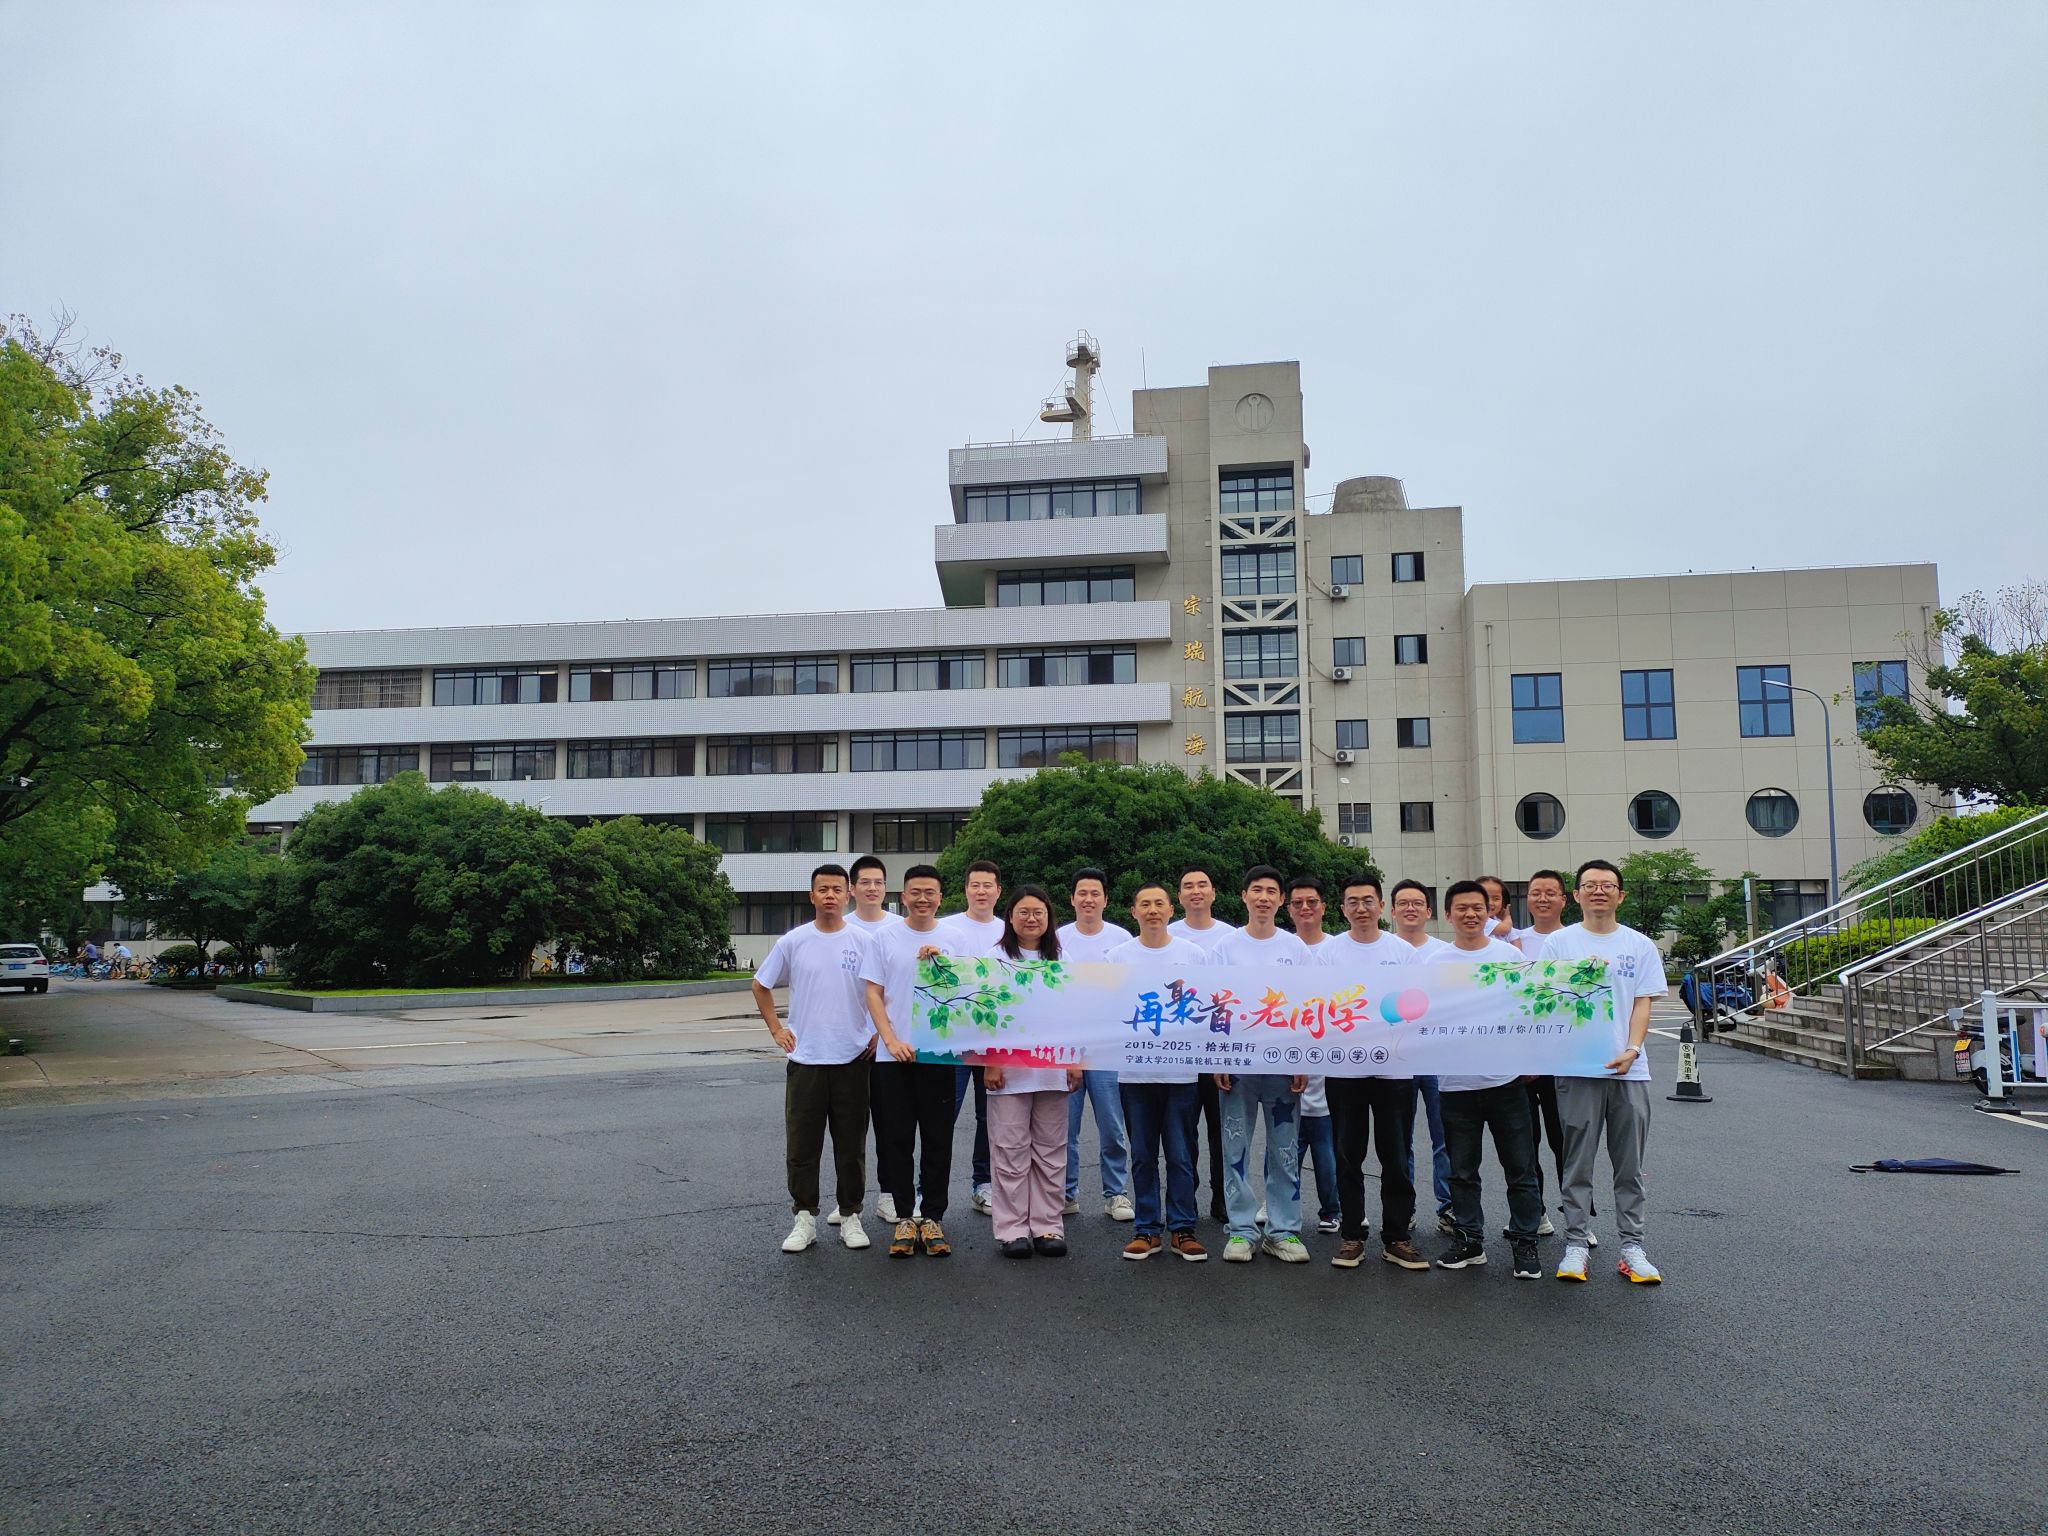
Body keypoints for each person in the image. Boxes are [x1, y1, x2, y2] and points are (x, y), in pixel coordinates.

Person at [1540, 859, 1667, 1284]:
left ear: (1620, 895)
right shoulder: (1559, 944)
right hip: (1577, 1069)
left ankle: (1632, 1246)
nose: (1599, 890)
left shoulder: (1639, 945)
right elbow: (1547, 999)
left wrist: (1632, 1049)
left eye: (1607, 885)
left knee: (1629, 1165)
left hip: (1629, 1072)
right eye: (1590, 885)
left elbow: (1643, 1003)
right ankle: (1576, 1243)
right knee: (1577, 1162)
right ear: (1576, 895)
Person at [753, 864, 879, 1255]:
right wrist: (776, 1029)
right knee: (802, 1146)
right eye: (822, 889)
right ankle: (804, 1217)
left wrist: (878, 1031)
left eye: (837, 889)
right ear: (812, 896)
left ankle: (851, 1214)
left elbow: (882, 990)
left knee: (851, 1145)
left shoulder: (863, 941)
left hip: (853, 1057)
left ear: (848, 895)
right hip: (806, 1058)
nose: (830, 896)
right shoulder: (793, 941)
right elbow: (760, 985)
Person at [1312, 874, 1431, 1272]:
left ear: (1381, 907)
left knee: (1395, 1155)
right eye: (1353, 901)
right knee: (1348, 1154)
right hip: (1344, 1069)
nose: (1361, 908)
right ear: (1342, 908)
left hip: (1394, 1069)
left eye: (1368, 900)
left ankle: (1397, 1237)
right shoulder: (1328, 953)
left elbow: (1418, 1004)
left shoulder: (1402, 952)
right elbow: (1316, 1006)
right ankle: (1351, 1236)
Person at [1432, 881, 1545, 1279]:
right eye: (1461, 908)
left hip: (1505, 1083)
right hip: (1455, 1085)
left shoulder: (1509, 956)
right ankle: (1469, 1240)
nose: (1470, 914)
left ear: (1489, 913)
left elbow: (1530, 1007)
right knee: (1462, 1172)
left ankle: (1525, 1242)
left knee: (1521, 1168)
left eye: (1477, 907)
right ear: (1448, 915)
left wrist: (1532, 1056)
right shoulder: (1435, 962)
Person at [1211, 865, 1312, 1263]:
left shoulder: (1295, 949)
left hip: (1283, 1063)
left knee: (1284, 1150)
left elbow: (1308, 1005)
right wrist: (1218, 1056)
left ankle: (1283, 1231)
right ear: (1244, 896)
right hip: (1238, 1062)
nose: (1264, 897)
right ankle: (1240, 1230)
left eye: (1272, 891)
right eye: (1257, 890)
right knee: (1234, 1147)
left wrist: (1302, 1057)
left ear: (1281, 900)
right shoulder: (1225, 947)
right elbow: (1215, 1004)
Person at [1109, 883, 1211, 1262]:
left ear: (1171, 910)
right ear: (1133, 912)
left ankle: (1183, 1229)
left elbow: (1209, 1008)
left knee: (1181, 1154)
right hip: (1134, 1075)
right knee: (1142, 1154)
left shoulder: (1194, 955)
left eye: (1159, 904)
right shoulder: (1116, 957)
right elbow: (1102, 1009)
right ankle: (1147, 1229)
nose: (1152, 910)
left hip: (1182, 1075)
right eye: (1145, 904)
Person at [861, 864, 954, 1258]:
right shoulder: (884, 937)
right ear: (903, 896)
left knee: (938, 1139)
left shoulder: (954, 937)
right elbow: (873, 992)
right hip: (892, 1056)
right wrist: (890, 1039)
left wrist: (941, 965)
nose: (922, 899)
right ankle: (903, 1216)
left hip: (939, 1055)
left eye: (930, 892)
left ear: (940, 897)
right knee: (896, 1138)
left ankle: (932, 1217)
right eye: (915, 892)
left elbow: (969, 991)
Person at [983, 887, 1081, 1258]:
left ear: (1048, 917)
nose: (1031, 919)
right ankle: (1012, 1230)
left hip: (1053, 1070)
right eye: (1023, 912)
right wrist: (991, 1060)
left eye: (1038, 912)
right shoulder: (994, 958)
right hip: (1008, 1072)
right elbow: (985, 1013)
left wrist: (1075, 1060)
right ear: (1010, 917)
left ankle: (1047, 1226)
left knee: (1051, 1151)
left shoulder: (1062, 958)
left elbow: (1076, 1013)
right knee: (1010, 1150)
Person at [1056, 867, 1134, 1222]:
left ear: (1106, 899)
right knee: (1063, 1127)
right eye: (1082, 893)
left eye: (1095, 893)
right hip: (1065, 1049)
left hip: (1107, 1049)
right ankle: (1065, 1193)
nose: (1088, 899)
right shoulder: (1057, 939)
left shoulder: (1121, 939)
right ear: (1072, 898)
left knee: (1112, 1126)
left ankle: (1115, 1193)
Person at [1169, 866, 1237, 1221]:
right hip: (1180, 1052)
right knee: (1182, 1133)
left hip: (1221, 1047)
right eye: (1188, 886)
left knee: (1222, 1131)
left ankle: (1223, 1198)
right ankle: (1186, 1199)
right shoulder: (1167, 935)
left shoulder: (1230, 938)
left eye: (1202, 885)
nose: (1195, 891)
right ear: (1179, 897)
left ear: (1213, 893)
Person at [1389, 879, 1455, 1234]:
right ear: (1392, 911)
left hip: (1438, 1057)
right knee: (1400, 1140)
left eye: (1417, 903)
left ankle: (1449, 1208)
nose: (1410, 908)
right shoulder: (1383, 951)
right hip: (1396, 1059)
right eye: (1403, 903)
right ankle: (1405, 1209)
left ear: (1429, 911)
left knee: (1445, 1137)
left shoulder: (1445, 953)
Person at [940, 860, 1005, 1215]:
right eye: (975, 885)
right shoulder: (946, 928)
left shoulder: (1009, 931)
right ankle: (926, 1188)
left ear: (998, 891)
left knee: (990, 1117)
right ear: (965, 889)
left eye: (987, 885)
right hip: (953, 1040)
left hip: (994, 1042)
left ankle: (984, 1184)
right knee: (941, 1116)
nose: (981, 891)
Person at [845, 854, 906, 1225]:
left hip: (889, 1046)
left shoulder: (899, 928)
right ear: (852, 889)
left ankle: (889, 1195)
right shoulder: (841, 927)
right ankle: (847, 1199)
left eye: (878, 882)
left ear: (886, 887)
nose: (872, 888)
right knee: (849, 1129)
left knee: (890, 1126)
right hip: (850, 1047)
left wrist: (882, 1034)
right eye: (865, 882)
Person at [1511, 868, 1572, 1240]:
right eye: (1536, 892)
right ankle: (1536, 1213)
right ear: (1528, 899)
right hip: (1521, 1062)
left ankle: (1577, 1219)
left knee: (1566, 1143)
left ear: (1564, 899)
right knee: (1525, 1143)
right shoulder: (1514, 943)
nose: (1543, 898)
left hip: (1563, 1061)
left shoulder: (1576, 941)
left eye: (1551, 892)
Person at [1285, 875, 1340, 1235]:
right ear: (1288, 909)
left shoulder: (1337, 949)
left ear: (1323, 907)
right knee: (1283, 1141)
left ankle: (1333, 1209)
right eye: (1298, 903)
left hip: (1329, 1056)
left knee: (1325, 1141)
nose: (1305, 908)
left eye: (1312, 902)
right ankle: (1279, 1203)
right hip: (1285, 1054)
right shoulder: (1280, 947)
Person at [1477, 874, 1516, 941]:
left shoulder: (1499, 921)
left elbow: (1515, 940)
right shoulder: (1481, 920)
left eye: (1496, 899)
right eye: (1485, 898)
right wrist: (1507, 916)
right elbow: (1505, 929)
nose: (1490, 903)